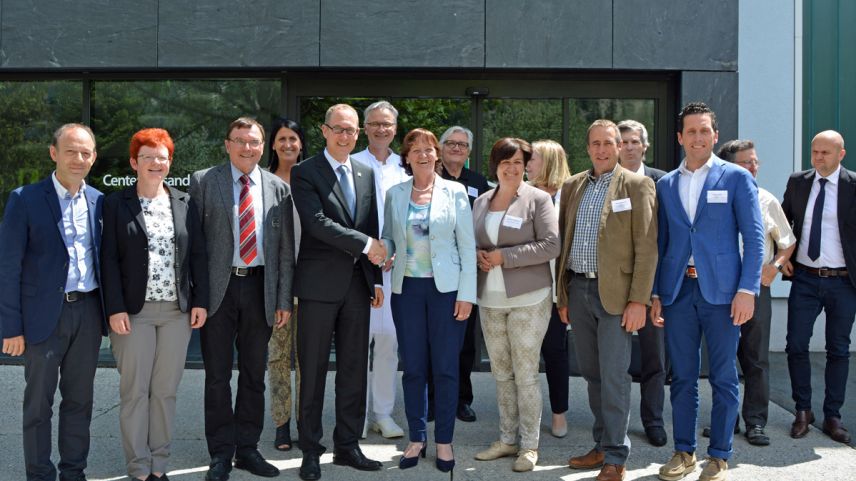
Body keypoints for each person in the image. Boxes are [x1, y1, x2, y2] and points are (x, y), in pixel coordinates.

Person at [651, 102, 764, 481]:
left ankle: (719, 455)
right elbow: (662, 242)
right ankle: (684, 452)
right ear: (680, 137)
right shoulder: (666, 184)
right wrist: (656, 293)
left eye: (705, 131)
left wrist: (747, 289)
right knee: (681, 377)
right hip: (679, 293)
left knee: (723, 377)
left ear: (715, 136)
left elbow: (754, 237)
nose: (698, 138)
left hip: (724, 295)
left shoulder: (735, 177)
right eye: (691, 131)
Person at [190, 117, 296, 481]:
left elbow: (285, 251)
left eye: (253, 142)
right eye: (240, 141)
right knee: (217, 377)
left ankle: (247, 450)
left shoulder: (278, 188)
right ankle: (220, 453)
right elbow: (196, 246)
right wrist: (198, 298)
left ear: (262, 146)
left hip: (260, 289)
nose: (246, 147)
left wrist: (283, 299)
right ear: (227, 144)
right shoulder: (204, 181)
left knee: (254, 375)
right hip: (218, 292)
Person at [101, 128, 210, 481]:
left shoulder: (184, 202)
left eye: (162, 157)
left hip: (176, 313)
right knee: (135, 392)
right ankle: (139, 467)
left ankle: (159, 464)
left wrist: (201, 301)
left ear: (169, 163)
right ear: (135, 162)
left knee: (165, 392)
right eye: (148, 157)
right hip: (134, 313)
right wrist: (114, 308)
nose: (156, 163)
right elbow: (109, 260)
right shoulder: (116, 203)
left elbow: (197, 255)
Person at [0, 124, 106, 481]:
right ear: (54, 153)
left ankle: (73, 472)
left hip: (88, 313)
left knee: (79, 401)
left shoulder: (98, 201)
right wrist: (11, 327)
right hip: (42, 317)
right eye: (71, 151)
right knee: (38, 404)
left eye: (86, 153)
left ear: (94, 157)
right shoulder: (25, 198)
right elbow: (7, 267)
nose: (79, 159)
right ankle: (39, 474)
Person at [291, 104, 385, 481]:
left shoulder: (365, 171)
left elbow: (373, 223)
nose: (345, 136)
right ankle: (310, 450)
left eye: (351, 131)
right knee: (312, 371)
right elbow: (316, 224)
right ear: (325, 131)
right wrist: (367, 244)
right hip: (317, 287)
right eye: (339, 129)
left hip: (357, 288)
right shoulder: (305, 171)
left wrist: (375, 278)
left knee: (353, 370)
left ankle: (347, 445)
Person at [559, 120, 658, 481]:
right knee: (592, 375)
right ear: (587, 148)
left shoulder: (636, 185)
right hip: (579, 292)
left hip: (617, 298)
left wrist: (639, 301)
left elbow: (647, 248)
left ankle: (616, 456)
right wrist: (563, 295)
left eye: (608, 143)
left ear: (619, 147)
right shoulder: (573, 186)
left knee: (615, 377)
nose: (601, 149)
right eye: (595, 143)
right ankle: (601, 445)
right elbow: (564, 244)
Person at [381, 128, 476, 474]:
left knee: (446, 369)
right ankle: (417, 437)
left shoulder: (456, 192)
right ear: (406, 157)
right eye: (415, 149)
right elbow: (390, 238)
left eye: (428, 149)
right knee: (414, 368)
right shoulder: (396, 194)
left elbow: (466, 246)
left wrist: (467, 294)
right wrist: (385, 251)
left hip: (446, 292)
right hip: (406, 291)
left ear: (437, 154)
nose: (422, 154)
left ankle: (444, 441)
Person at [698, 140, 795, 446]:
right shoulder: (713, 198)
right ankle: (725, 420)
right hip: (719, 288)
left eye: (755, 162)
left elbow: (788, 241)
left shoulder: (765, 199)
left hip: (755, 288)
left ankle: (755, 422)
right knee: (722, 358)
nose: (753, 167)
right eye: (746, 163)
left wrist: (775, 266)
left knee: (755, 358)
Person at [472, 137, 560, 472]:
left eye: (518, 163)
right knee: (501, 373)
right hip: (489, 300)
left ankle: (529, 446)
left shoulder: (538, 199)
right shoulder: (481, 201)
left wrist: (503, 257)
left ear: (526, 167)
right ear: (495, 165)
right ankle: (507, 440)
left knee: (525, 375)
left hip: (528, 298)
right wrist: (479, 254)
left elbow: (551, 245)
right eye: (505, 162)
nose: (511, 168)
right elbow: (472, 240)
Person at [781, 130, 855, 444]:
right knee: (796, 345)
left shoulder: (853, 185)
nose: (819, 158)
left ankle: (832, 415)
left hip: (843, 281)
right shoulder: (799, 182)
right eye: (815, 152)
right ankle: (802, 410)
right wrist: (779, 255)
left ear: (842, 154)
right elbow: (782, 223)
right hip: (806, 278)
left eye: (825, 152)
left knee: (838, 349)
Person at [352, 101, 409, 439]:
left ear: (395, 128)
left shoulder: (406, 167)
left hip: (397, 268)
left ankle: (382, 413)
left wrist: (394, 251)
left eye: (386, 124)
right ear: (364, 128)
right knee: (356, 343)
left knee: (389, 343)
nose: (381, 129)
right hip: (359, 269)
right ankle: (355, 415)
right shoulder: (353, 162)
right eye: (374, 123)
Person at [428, 125, 491, 423]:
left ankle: (461, 400)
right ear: (441, 148)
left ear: (468, 152)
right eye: (450, 143)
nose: (456, 148)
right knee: (433, 339)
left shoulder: (479, 182)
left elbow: (487, 225)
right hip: (433, 270)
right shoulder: (429, 178)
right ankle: (432, 399)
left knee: (465, 342)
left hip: (468, 272)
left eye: (462, 145)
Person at [616, 119, 670, 447]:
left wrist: (659, 289)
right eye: (623, 142)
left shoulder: (663, 182)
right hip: (613, 286)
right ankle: (614, 422)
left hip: (652, 288)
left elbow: (669, 239)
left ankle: (653, 420)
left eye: (634, 141)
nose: (629, 146)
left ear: (644, 146)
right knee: (615, 359)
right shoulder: (605, 181)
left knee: (654, 358)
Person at [526, 139, 572, 438]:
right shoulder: (522, 195)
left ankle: (559, 414)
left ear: (551, 162)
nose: (527, 163)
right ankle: (527, 414)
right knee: (525, 356)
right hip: (525, 289)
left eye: (532, 158)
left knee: (555, 353)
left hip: (558, 292)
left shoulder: (569, 195)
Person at [266, 117, 306, 452]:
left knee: (308, 358)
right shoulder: (263, 181)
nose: (288, 144)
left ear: (301, 143)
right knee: (278, 357)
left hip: (309, 283)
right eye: (282, 138)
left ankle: (306, 422)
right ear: (273, 144)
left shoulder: (312, 179)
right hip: (275, 284)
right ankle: (281, 424)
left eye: (293, 138)